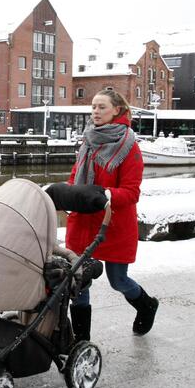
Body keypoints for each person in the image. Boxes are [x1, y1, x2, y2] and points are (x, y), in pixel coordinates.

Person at [65, 89, 158, 340]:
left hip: (112, 226)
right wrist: (68, 194)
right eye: (93, 107)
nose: (95, 111)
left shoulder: (129, 147)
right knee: (79, 281)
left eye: (101, 107)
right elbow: (75, 176)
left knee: (118, 280)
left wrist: (103, 194)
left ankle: (147, 305)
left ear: (117, 110)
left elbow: (131, 192)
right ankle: (81, 341)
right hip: (83, 220)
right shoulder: (89, 140)